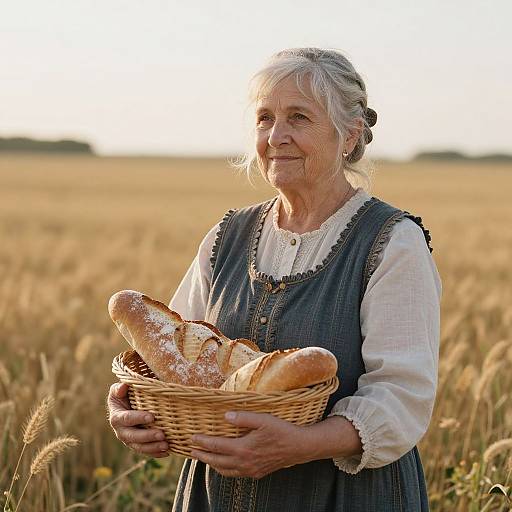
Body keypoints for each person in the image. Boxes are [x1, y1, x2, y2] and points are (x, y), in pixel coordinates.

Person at [107, 47, 442, 511]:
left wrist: (300, 444)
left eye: (299, 118)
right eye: (265, 118)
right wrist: (127, 406)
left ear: (349, 135)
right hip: (217, 494)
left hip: (344, 497)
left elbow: (401, 398)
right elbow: (169, 359)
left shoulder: (390, 242)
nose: (276, 136)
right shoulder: (227, 235)